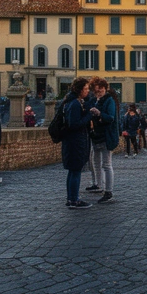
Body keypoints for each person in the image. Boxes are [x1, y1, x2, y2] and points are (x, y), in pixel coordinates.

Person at [61, 78, 98, 209]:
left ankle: (71, 198)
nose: (88, 91)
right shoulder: (75, 104)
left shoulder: (70, 102)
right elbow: (74, 124)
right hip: (75, 142)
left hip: (72, 141)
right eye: (86, 89)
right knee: (75, 171)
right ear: (80, 90)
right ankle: (74, 200)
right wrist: (89, 116)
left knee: (72, 171)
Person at [90, 78, 119, 203]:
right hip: (96, 136)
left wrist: (99, 114)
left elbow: (111, 117)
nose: (98, 92)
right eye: (96, 90)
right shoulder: (95, 101)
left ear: (105, 88)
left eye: (100, 89)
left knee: (106, 164)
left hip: (106, 136)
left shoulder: (109, 101)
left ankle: (109, 191)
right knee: (95, 162)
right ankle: (99, 185)